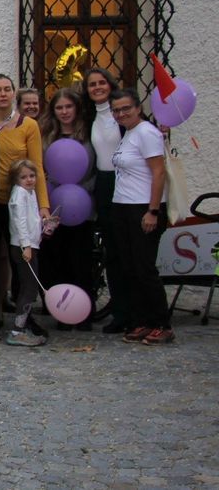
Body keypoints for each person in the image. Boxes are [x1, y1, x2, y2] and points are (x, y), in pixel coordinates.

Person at [0, 73, 50, 340]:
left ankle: (25, 317)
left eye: (7, 89)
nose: (2, 94)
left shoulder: (28, 125)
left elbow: (38, 167)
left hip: (20, 204)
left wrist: (43, 205)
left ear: (13, 93)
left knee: (23, 260)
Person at [108, 89, 173, 345]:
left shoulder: (147, 132)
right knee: (130, 267)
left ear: (138, 108)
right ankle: (142, 320)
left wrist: (153, 211)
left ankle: (162, 323)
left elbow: (158, 173)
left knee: (145, 268)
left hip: (143, 208)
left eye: (126, 109)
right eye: (117, 110)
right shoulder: (129, 134)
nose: (121, 114)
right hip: (123, 206)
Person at [38, 88, 97, 331]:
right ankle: (64, 312)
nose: (64, 112)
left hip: (82, 207)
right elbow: (42, 171)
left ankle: (85, 313)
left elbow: (95, 170)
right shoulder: (46, 137)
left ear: (77, 109)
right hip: (54, 208)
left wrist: (81, 192)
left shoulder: (89, 136)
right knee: (57, 261)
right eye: (59, 108)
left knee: (82, 262)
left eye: (68, 107)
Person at [83, 68, 128, 332]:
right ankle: (120, 312)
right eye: (92, 84)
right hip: (102, 183)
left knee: (128, 251)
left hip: (125, 182)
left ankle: (136, 312)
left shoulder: (121, 113)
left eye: (101, 83)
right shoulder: (89, 116)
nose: (97, 87)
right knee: (111, 252)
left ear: (110, 85)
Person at [5, 159, 46, 346]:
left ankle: (21, 326)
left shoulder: (29, 193)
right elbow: (20, 221)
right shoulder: (20, 194)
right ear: (15, 179)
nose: (29, 180)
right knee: (29, 289)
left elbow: (31, 219)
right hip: (23, 247)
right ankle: (17, 329)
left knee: (29, 288)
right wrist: (26, 245)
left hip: (30, 244)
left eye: (31, 176)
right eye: (23, 177)